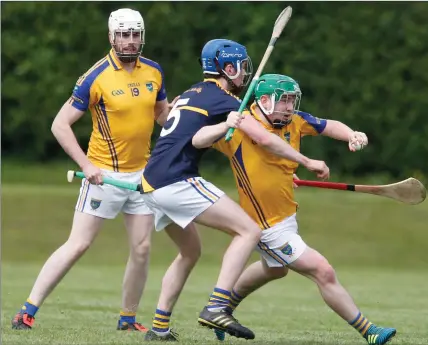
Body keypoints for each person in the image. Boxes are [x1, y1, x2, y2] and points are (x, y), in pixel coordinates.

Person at [140, 39, 330, 342]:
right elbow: (265, 139)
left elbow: (180, 128)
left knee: (190, 253)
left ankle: (159, 327)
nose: (244, 76)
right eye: (242, 68)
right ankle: (217, 306)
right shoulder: (223, 99)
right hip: (176, 179)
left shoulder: (194, 91)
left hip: (150, 183)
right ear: (228, 68)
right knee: (249, 231)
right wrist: (305, 160)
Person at [11, 8, 178, 333]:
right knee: (78, 244)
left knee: (142, 248)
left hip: (142, 175)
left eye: (135, 35)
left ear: (142, 37)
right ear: (111, 36)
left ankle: (127, 320)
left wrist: (180, 115)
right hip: (105, 175)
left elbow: (160, 115)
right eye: (123, 34)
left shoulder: (155, 72)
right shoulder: (96, 76)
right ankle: (27, 311)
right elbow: (60, 125)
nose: (129, 41)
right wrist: (86, 165)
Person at [200, 73, 396, 345]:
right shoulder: (241, 127)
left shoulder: (295, 122)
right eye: (284, 102)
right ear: (265, 100)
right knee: (322, 270)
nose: (289, 107)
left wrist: (351, 134)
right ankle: (369, 331)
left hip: (287, 216)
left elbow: (328, 125)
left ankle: (223, 309)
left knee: (275, 269)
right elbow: (197, 136)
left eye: (292, 101)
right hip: (264, 225)